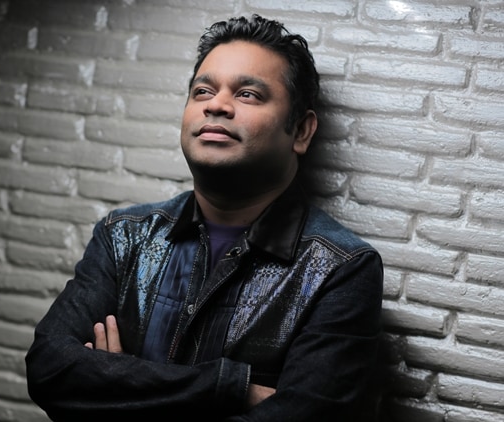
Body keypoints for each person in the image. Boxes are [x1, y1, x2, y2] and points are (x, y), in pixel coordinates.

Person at [25, 14, 384, 422]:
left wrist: (118, 384)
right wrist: (230, 387)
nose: (216, 105)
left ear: (301, 131)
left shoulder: (341, 270)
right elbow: (49, 368)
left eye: (247, 94)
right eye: (202, 91)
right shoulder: (123, 236)